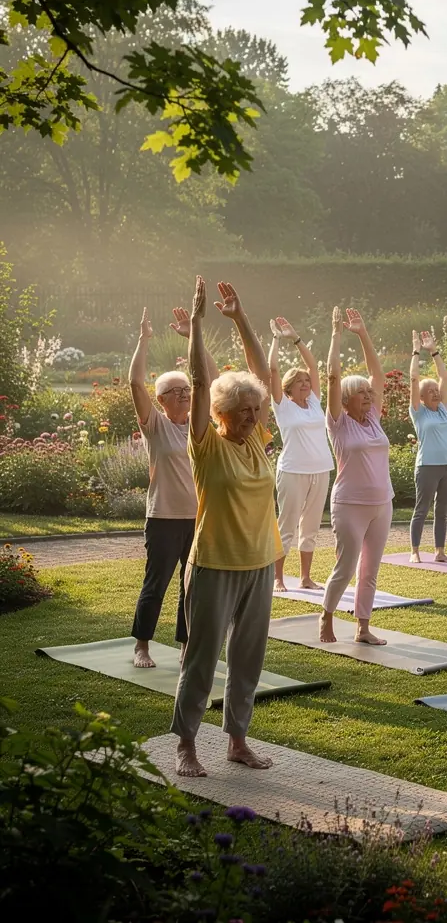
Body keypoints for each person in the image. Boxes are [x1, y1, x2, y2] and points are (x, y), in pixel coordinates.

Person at [172, 278, 281, 778]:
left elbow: (262, 373)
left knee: (247, 661)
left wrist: (240, 320)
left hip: (259, 563)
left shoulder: (256, 439)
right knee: (201, 659)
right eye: (243, 413)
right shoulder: (207, 445)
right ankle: (186, 745)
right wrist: (195, 325)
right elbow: (197, 383)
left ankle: (237, 741)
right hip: (214, 564)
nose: (253, 418)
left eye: (256, 411)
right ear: (220, 415)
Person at [128, 305, 218, 669]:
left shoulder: (202, 424)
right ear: (161, 400)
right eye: (175, 390)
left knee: (192, 587)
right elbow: (135, 383)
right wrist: (144, 340)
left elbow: (210, 381)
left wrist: (193, 336)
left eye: (186, 389)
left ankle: (185, 648)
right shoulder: (156, 426)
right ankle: (142, 646)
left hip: (199, 519)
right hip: (164, 517)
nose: (184, 394)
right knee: (157, 584)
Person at [321, 307, 393, 645]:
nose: (369, 395)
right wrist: (336, 335)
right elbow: (333, 377)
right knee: (346, 565)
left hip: (382, 503)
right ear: (346, 400)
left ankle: (363, 627)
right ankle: (327, 616)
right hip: (349, 504)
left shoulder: (374, 419)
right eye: (361, 392)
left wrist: (363, 333)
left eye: (369, 392)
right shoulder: (339, 422)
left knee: (370, 570)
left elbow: (377, 373)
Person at [268, 316, 334, 591]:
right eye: (300, 381)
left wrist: (296, 338)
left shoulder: (315, 402)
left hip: (321, 469)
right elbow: (271, 370)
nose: (306, 383)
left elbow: (314, 367)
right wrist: (275, 339)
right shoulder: (282, 405)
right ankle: (278, 578)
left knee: (311, 528)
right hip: (293, 471)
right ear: (288, 387)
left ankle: (306, 578)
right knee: (287, 526)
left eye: (307, 380)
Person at [408, 329, 447, 564]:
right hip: (427, 466)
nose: (436, 393)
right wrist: (416, 351)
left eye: (436, 391)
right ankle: (415, 551)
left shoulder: (443, 409)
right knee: (422, 509)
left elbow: (444, 378)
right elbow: (414, 379)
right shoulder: (419, 413)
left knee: (442, 511)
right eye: (430, 392)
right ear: (421, 397)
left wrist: (434, 351)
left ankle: (439, 551)